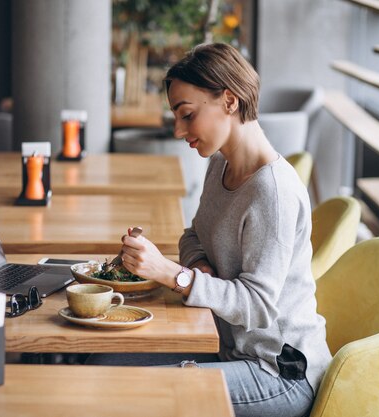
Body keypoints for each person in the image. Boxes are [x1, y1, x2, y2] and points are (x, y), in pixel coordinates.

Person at [86, 43, 332, 417]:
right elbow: (193, 235)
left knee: (129, 395)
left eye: (186, 115)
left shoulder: (273, 192)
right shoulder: (219, 164)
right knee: (101, 369)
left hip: (278, 372)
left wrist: (173, 274)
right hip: (225, 344)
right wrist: (199, 268)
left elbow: (258, 305)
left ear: (230, 101)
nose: (178, 129)